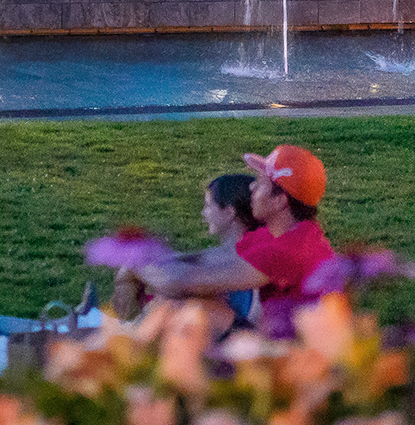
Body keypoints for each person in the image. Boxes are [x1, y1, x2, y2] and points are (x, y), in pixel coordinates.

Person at [135, 144, 334, 339]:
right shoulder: (280, 235)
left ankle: (127, 353)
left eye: (261, 183)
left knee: (180, 305)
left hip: (292, 352)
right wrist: (155, 258)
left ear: (280, 201)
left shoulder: (287, 250)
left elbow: (183, 282)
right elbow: (208, 260)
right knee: (186, 301)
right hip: (277, 335)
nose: (252, 186)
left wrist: (132, 259)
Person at [113, 172, 260, 328]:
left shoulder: (250, 254)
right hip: (225, 325)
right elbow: (175, 264)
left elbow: (174, 281)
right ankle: (127, 330)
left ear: (230, 212)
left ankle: (126, 331)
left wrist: (135, 266)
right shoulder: (226, 251)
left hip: (244, 335)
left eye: (208, 206)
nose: (204, 213)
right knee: (169, 298)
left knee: (175, 302)